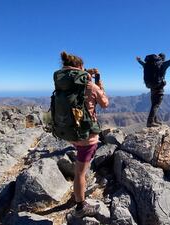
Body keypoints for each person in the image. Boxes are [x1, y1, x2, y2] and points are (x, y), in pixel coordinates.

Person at [55, 51, 109, 217]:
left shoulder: (64, 86)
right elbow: (105, 103)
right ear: (79, 68)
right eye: (83, 69)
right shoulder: (90, 86)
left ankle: (79, 191)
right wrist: (98, 81)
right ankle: (80, 206)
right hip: (87, 137)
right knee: (80, 173)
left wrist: (88, 78)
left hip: (71, 133)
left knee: (80, 167)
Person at [136, 44, 170, 127]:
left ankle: (155, 120)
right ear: (163, 58)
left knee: (154, 104)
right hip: (159, 88)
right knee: (156, 104)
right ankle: (150, 122)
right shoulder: (163, 64)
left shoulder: (150, 65)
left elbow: (143, 64)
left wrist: (139, 60)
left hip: (151, 87)